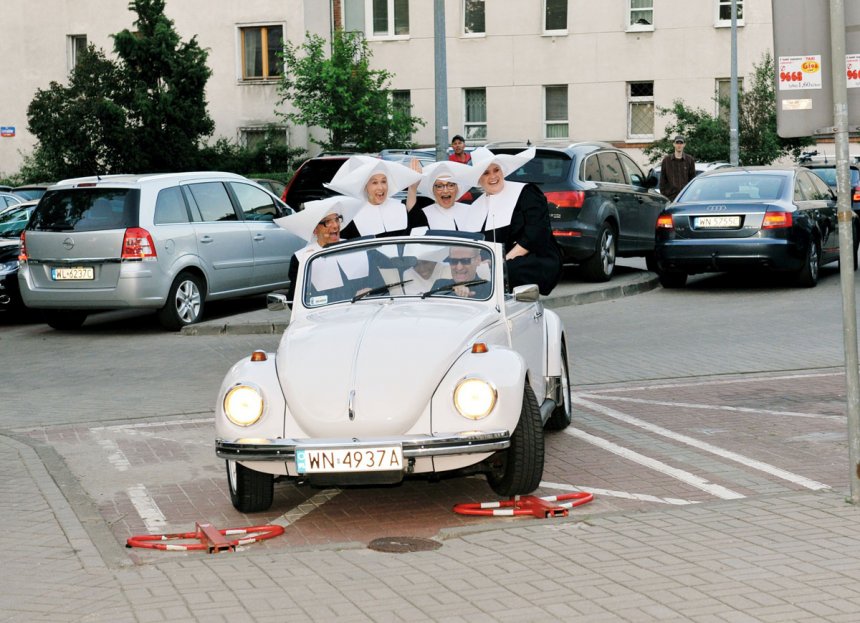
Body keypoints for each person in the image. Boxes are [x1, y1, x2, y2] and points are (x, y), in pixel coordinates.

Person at [468, 147, 563, 295]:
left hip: (534, 258)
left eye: (496, 170)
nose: (493, 176)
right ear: (479, 179)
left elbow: (535, 234)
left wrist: (500, 262)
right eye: (486, 173)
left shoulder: (526, 192)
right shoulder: (475, 206)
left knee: (504, 273)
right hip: (496, 264)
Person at [274, 196, 362, 306]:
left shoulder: (355, 247)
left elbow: (375, 283)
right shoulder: (302, 258)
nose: (335, 226)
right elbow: (295, 302)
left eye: (337, 219)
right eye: (327, 222)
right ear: (315, 229)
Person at [324, 156, 421, 239]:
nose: (381, 187)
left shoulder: (400, 207)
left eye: (384, 181)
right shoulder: (354, 216)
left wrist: (412, 188)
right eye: (374, 182)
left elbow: (416, 224)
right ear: (365, 187)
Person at [408, 160, 485, 233]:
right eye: (439, 186)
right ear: (433, 190)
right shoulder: (425, 214)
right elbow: (413, 213)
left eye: (451, 185)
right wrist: (412, 188)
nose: (445, 191)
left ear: (457, 189)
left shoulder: (470, 211)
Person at [659, 135, 696, 201]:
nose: (679, 145)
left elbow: (692, 179)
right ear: (674, 144)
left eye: (681, 143)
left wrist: (691, 195)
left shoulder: (690, 160)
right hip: (670, 198)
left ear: (684, 145)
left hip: (685, 197)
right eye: (677, 143)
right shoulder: (666, 160)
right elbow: (662, 180)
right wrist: (664, 195)